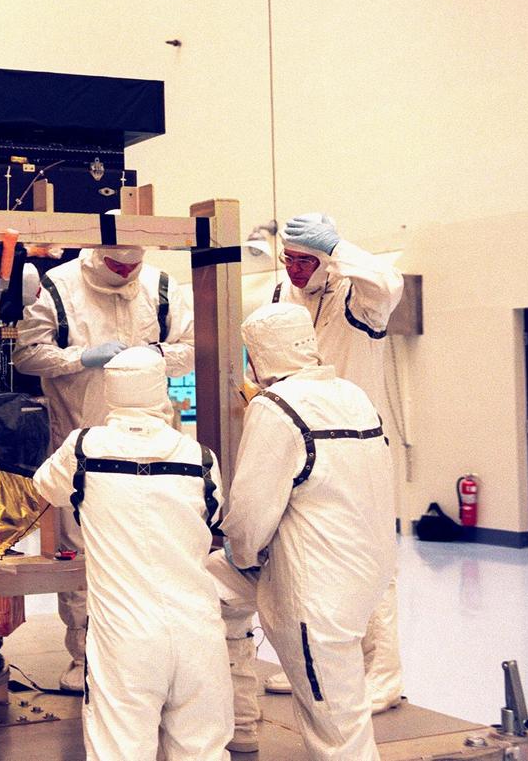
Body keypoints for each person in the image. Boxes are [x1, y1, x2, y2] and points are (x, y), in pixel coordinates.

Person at [209, 303, 395, 759]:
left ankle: (230, 723)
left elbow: (251, 515)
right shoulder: (353, 395)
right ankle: (242, 724)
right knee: (207, 591)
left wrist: (240, 550)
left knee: (337, 727)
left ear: (259, 355)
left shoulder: (276, 407)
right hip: (362, 577)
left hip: (312, 592)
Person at [33, 348, 230, 760]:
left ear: (108, 391)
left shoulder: (84, 448)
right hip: (198, 632)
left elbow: (45, 487)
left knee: (120, 751)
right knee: (204, 752)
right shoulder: (200, 457)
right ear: (162, 391)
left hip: (125, 638)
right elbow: (215, 521)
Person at [13, 244, 194, 691]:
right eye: (116, 266)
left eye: (133, 267)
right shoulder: (60, 285)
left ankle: (150, 656)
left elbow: (191, 349)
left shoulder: (161, 286)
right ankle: (86, 657)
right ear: (97, 257)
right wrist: (82, 357)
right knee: (81, 557)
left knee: (155, 550)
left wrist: (146, 356)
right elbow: (26, 354)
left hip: (153, 449)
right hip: (82, 438)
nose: (125, 273)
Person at [267, 213, 406, 712]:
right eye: (289, 259)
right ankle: (315, 668)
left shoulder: (356, 292)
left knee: (371, 563)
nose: (296, 270)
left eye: (307, 260)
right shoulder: (284, 293)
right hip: (300, 443)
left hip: (356, 445)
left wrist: (339, 244)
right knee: (302, 560)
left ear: (326, 256)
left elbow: (390, 283)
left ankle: (383, 677)